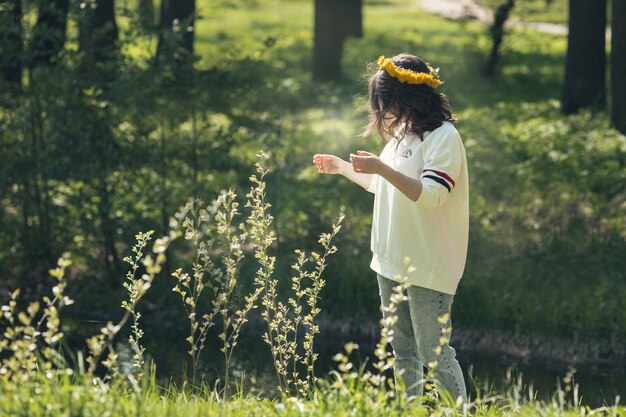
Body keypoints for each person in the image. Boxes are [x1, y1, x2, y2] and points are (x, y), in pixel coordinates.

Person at [312, 53, 469, 403]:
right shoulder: (400, 136)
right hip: (390, 260)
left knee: (435, 355)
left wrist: (381, 169)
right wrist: (342, 167)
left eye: (385, 102)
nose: (381, 111)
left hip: (428, 264)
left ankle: (458, 412)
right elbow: (382, 186)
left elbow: (431, 196)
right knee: (403, 354)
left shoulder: (443, 137)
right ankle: (410, 410)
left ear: (410, 95)